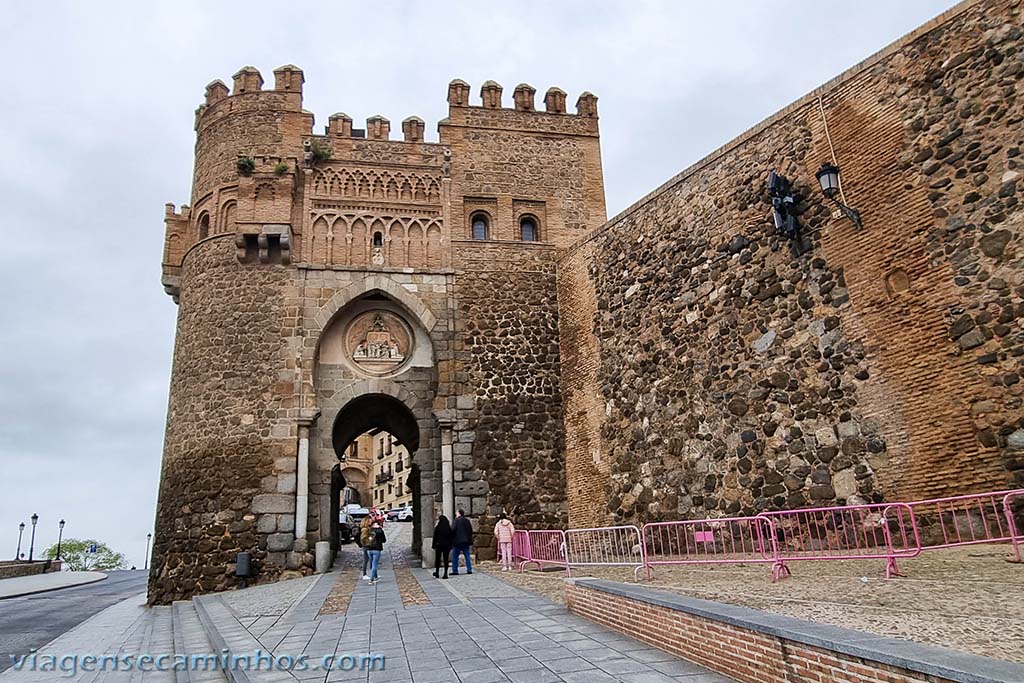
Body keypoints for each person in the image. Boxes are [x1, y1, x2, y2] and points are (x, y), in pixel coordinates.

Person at [450, 508, 474, 575]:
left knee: (455, 556)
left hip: (457, 541)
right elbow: (470, 530)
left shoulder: (456, 521)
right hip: (466, 541)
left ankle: (455, 570)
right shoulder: (467, 521)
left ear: (458, 513)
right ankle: (469, 569)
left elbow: (453, 530)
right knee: (467, 556)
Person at [432, 514, 453, 579]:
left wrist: (433, 545)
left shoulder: (438, 527)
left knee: (438, 559)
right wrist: (450, 545)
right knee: (446, 559)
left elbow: (435, 537)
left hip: (439, 545)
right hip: (446, 546)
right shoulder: (448, 528)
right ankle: (445, 573)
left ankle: (437, 572)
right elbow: (451, 537)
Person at [366, 519, 386, 585]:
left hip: (369, 549)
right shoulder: (380, 531)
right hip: (377, 549)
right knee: (375, 564)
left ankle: (375, 576)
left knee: (372, 563)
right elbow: (384, 540)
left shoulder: (369, 530)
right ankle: (371, 579)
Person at [359, 510, 376, 580]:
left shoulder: (368, 528)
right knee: (366, 560)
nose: (371, 521)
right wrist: (370, 539)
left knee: (370, 559)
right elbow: (363, 539)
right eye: (370, 520)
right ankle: (364, 574)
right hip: (366, 546)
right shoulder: (365, 529)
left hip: (367, 546)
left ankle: (372, 574)